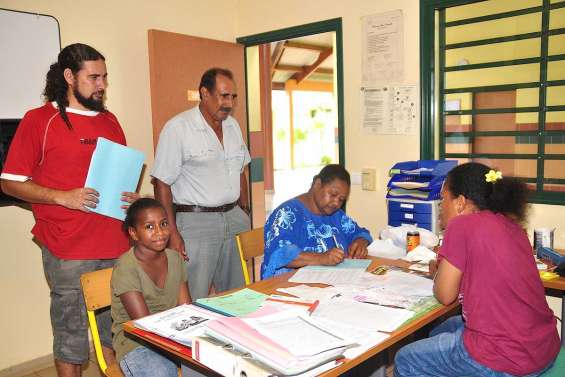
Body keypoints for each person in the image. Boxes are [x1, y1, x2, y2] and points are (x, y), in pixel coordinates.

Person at [0, 43, 138, 377]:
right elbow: (9, 183)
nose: (102, 84)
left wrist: (131, 199)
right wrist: (63, 197)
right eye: (93, 77)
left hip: (117, 246)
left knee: (116, 331)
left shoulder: (110, 120)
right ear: (69, 77)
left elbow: (116, 174)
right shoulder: (39, 120)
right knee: (71, 337)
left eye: (105, 77)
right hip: (68, 249)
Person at [394, 162, 560, 377]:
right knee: (440, 330)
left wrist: (438, 273)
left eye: (443, 199)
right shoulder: (513, 227)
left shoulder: (462, 225)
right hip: (543, 348)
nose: (440, 207)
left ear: (461, 202)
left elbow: (445, 295)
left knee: (406, 359)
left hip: (506, 359)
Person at [151, 68, 251, 300]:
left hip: (233, 218)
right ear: (205, 93)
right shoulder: (178, 128)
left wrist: (243, 210)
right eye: (223, 95)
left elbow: (241, 168)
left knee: (237, 296)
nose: (229, 103)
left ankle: (233, 335)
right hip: (197, 222)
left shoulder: (232, 126)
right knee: (193, 296)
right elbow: (162, 183)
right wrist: (172, 233)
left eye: (232, 97)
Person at [111, 198, 191, 377]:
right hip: (137, 341)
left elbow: (186, 310)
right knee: (162, 372)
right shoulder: (126, 267)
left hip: (172, 334)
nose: (160, 232)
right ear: (133, 233)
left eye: (163, 224)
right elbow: (144, 325)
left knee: (214, 363)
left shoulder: (176, 259)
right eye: (149, 227)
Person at [261, 164, 373, 279]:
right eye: (333, 194)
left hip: (329, 283)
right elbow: (280, 253)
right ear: (317, 184)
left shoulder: (335, 214)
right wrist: (321, 258)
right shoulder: (287, 213)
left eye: (341, 199)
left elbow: (359, 232)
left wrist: (360, 242)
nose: (336, 203)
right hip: (287, 286)